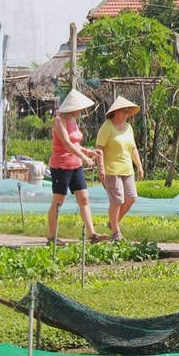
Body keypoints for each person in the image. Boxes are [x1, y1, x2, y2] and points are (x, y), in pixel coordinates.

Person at [47, 89, 108, 246]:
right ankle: (52, 237)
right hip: (61, 166)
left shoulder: (73, 120)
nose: (81, 110)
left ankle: (92, 234)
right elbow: (67, 144)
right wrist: (85, 158)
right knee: (58, 201)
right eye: (79, 107)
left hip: (76, 165)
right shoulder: (59, 120)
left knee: (84, 198)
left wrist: (87, 152)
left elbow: (75, 144)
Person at [96, 96, 144, 242]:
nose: (126, 114)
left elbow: (133, 148)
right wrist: (101, 167)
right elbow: (99, 148)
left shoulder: (128, 128)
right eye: (124, 111)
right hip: (112, 170)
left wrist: (139, 166)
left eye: (128, 112)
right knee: (117, 201)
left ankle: (113, 223)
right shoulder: (107, 127)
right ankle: (116, 233)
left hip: (127, 169)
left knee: (131, 198)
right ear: (116, 112)